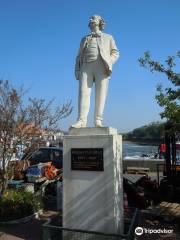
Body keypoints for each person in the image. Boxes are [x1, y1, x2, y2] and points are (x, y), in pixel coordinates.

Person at [71, 15, 119, 128]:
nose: (90, 20)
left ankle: (98, 120)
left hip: (102, 66)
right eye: (90, 19)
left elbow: (115, 52)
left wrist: (109, 62)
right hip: (86, 66)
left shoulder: (109, 37)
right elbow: (78, 56)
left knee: (101, 93)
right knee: (83, 93)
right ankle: (81, 120)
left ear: (100, 22)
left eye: (93, 18)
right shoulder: (84, 39)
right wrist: (77, 69)